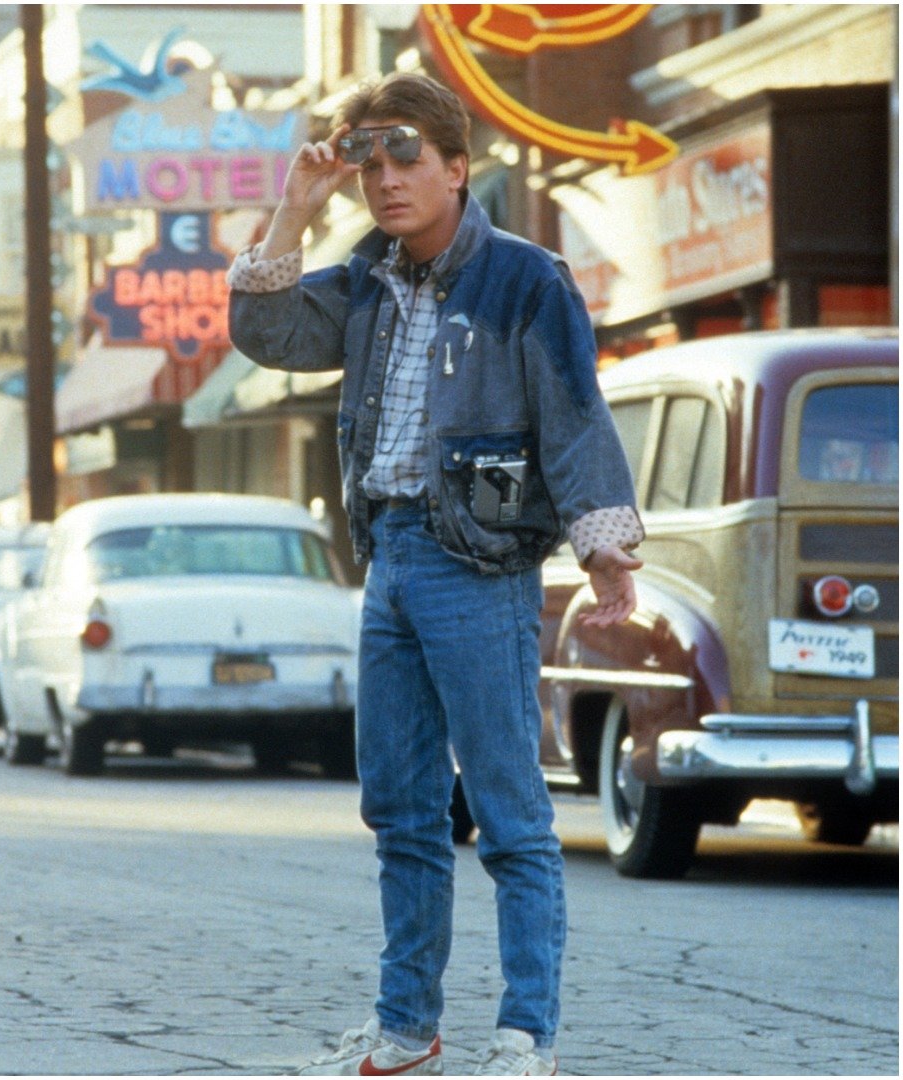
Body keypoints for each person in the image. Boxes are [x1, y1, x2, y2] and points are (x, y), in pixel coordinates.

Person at [226, 73, 643, 1076]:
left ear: (459, 167)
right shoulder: (366, 279)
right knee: (400, 810)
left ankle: (525, 1036)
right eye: (369, 158)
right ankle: (407, 1032)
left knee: (509, 812)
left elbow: (574, 414)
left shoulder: (526, 279)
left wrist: (603, 546)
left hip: (481, 569)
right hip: (393, 565)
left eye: (405, 152)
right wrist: (298, 202)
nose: (385, 176)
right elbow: (265, 331)